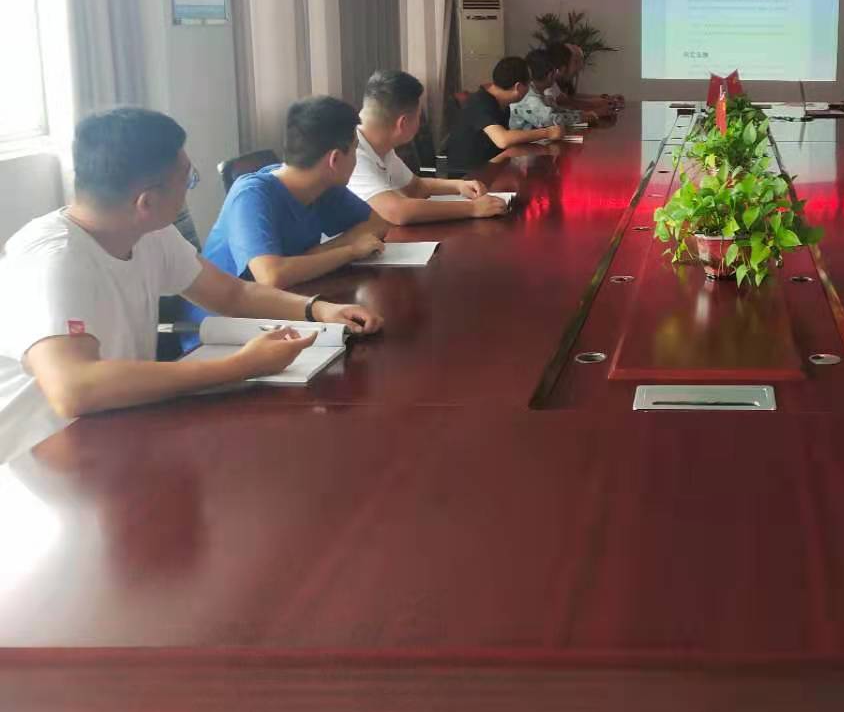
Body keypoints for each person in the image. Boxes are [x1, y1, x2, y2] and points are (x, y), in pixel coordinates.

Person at [0, 108, 383, 463]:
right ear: (146, 202)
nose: (189, 189)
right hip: (33, 463)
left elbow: (233, 294)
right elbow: (74, 388)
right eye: (188, 179)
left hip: (114, 432)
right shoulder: (53, 259)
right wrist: (241, 366)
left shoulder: (150, 232)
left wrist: (318, 309)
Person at [199, 96, 390, 295]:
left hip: (283, 300)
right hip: (225, 312)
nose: (356, 159)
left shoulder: (325, 185)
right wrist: (350, 251)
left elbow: (377, 224)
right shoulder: (250, 194)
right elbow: (272, 277)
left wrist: (314, 255)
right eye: (354, 150)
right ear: (334, 159)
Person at [349, 69, 507, 224]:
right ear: (403, 123)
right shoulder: (351, 152)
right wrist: (473, 208)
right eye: (418, 116)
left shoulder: (380, 145)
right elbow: (398, 211)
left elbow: (415, 187)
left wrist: (459, 185)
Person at [446, 56, 565, 170]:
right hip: (468, 174)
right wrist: (547, 132)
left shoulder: (502, 104)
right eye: (529, 84)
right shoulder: (480, 102)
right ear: (518, 87)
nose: (530, 88)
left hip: (492, 166)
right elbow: (502, 140)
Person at [511, 48, 590, 131]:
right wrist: (580, 118)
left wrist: (580, 114)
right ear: (550, 75)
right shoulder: (530, 98)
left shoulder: (535, 92)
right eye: (556, 71)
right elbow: (550, 120)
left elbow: (555, 110)